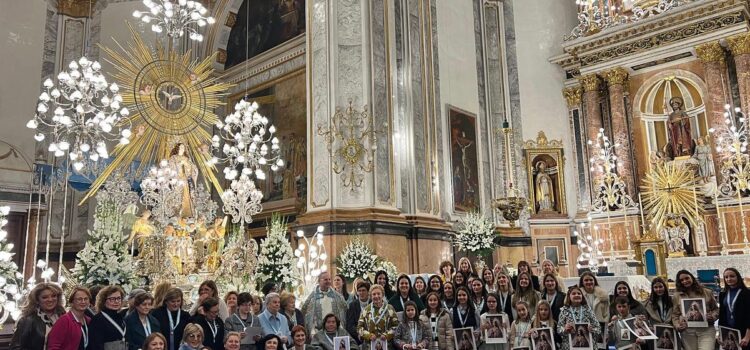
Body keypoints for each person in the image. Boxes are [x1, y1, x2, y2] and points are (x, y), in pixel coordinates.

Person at [671, 270, 718, 350]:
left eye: (687, 278)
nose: (685, 281)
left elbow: (716, 309)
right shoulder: (677, 296)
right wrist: (678, 325)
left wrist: (712, 317)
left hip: (706, 330)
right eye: (681, 280)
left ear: (692, 278)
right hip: (687, 331)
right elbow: (675, 314)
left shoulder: (707, 292)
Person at [10, 282, 65, 350]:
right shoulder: (27, 320)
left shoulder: (63, 316)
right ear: (37, 300)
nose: (50, 300)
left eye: (53, 296)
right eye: (45, 297)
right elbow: (15, 347)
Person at [557, 286, 601, 350]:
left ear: (582, 296)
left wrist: (592, 329)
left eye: (579, 293)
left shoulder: (588, 309)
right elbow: (558, 329)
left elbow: (598, 328)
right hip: (569, 346)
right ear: (569, 296)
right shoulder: (564, 310)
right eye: (574, 293)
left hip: (588, 345)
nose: (577, 295)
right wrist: (565, 329)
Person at [357, 284, 399, 350]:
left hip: (387, 346)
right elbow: (359, 328)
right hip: (369, 346)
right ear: (370, 296)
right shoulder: (366, 310)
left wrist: (387, 335)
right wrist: (368, 335)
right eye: (374, 294)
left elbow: (396, 326)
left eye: (378, 294)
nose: (376, 296)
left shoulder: (390, 308)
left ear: (382, 295)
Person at [719, 268, 750, 349]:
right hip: (728, 330)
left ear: (738, 277)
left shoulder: (747, 293)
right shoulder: (722, 294)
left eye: (732, 276)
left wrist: (747, 336)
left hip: (744, 330)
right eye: (726, 277)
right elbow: (722, 315)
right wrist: (720, 333)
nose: (729, 279)